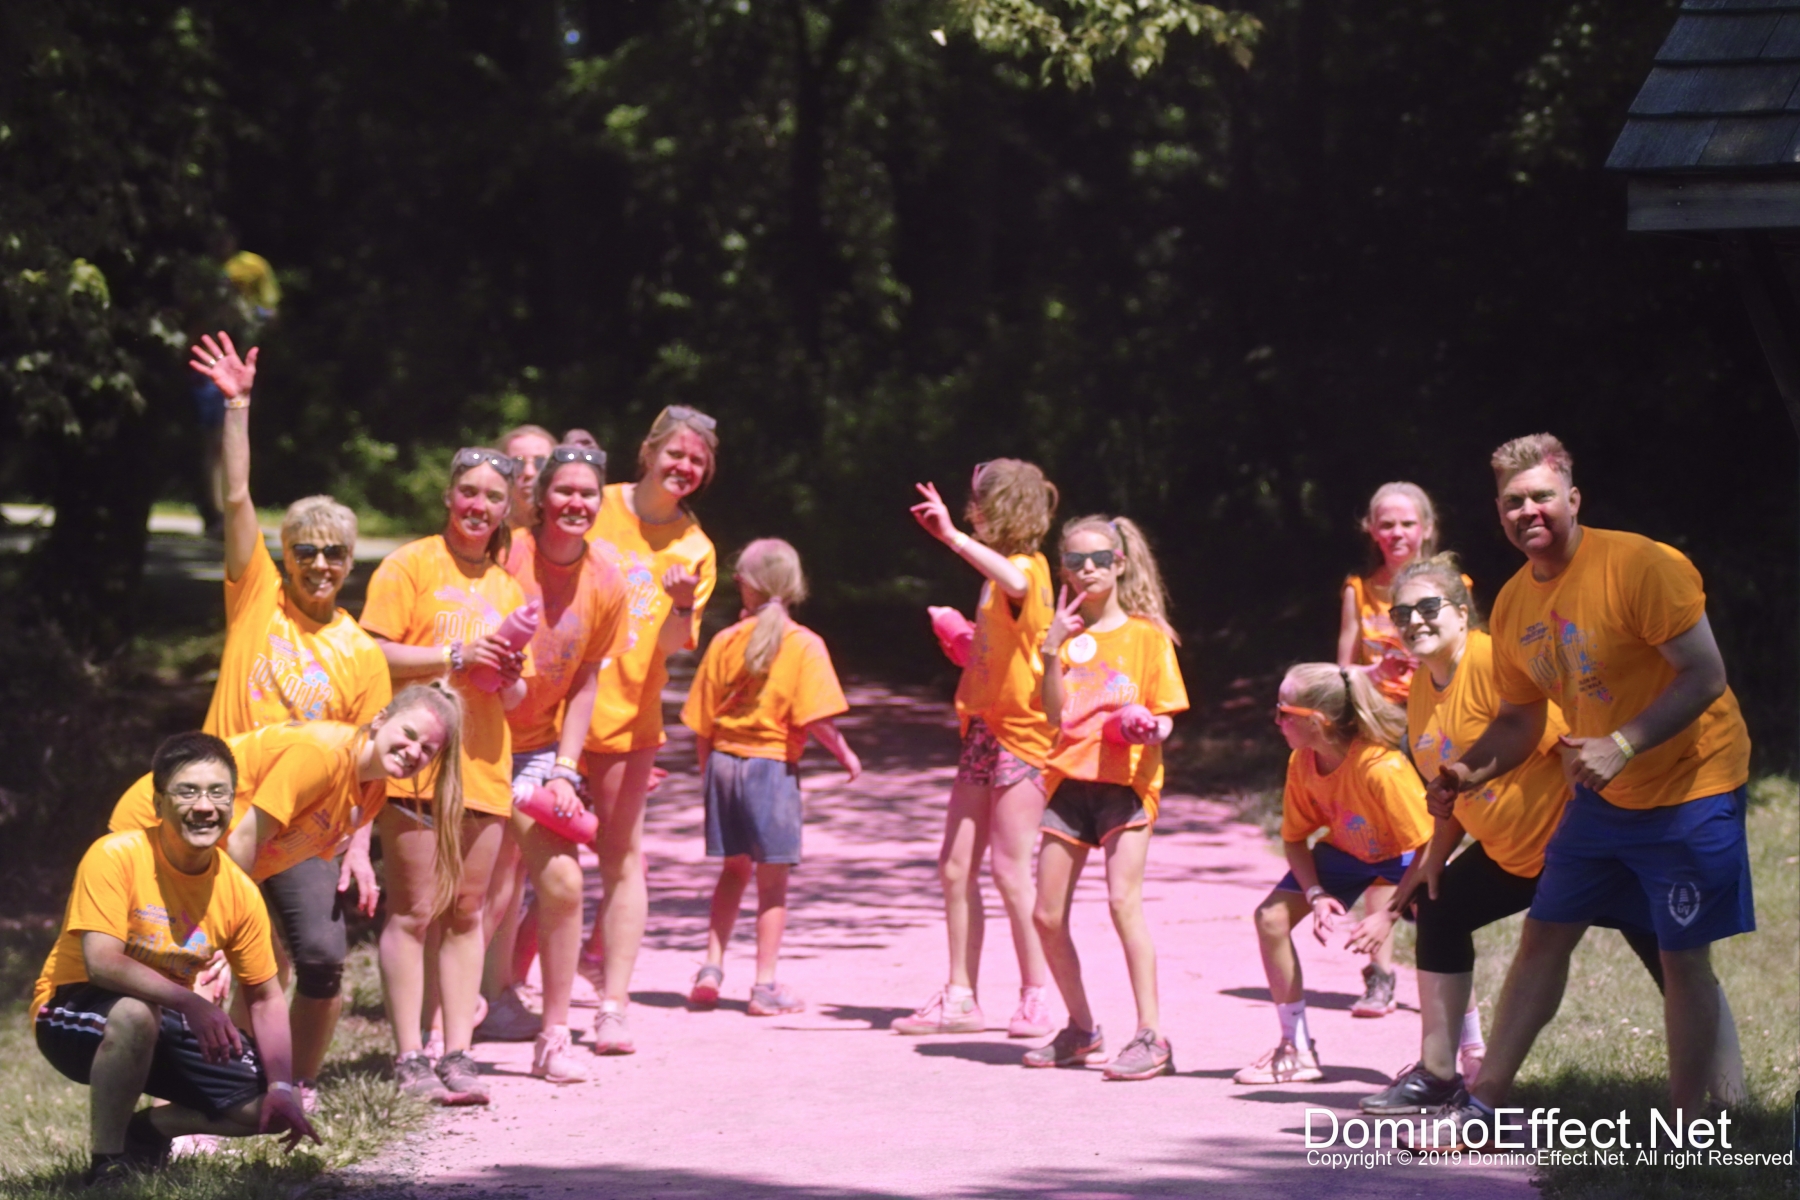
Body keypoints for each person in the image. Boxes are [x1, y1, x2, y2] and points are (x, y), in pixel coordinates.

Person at [1429, 434, 1753, 1142]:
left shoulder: (1641, 565)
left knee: (1680, 955)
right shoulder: (1514, 604)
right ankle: (1481, 1105)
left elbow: (1705, 674)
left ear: (1573, 499)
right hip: (1604, 797)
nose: (1528, 511)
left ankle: (1687, 1130)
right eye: (1513, 502)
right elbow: (1519, 719)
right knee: (1543, 934)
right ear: (1499, 514)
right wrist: (1463, 773)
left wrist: (1624, 742)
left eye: (1541, 496)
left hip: (1691, 783)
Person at [1346, 557, 1672, 1112]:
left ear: (1461, 611)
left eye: (1428, 608)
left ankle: (1724, 1090)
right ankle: (1437, 1074)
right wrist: (1435, 858)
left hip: (1575, 852)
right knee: (1441, 906)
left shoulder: (1494, 663)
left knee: (1672, 955)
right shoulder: (1424, 683)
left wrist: (1586, 843)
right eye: (1401, 614)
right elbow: (1450, 786)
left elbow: (1572, 750)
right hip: (1510, 856)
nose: (1414, 621)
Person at [185, 331, 394, 1107]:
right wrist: (238, 407)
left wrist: (360, 849)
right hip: (219, 804)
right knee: (211, 954)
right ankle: (212, 1091)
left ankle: (296, 1084)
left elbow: (372, 765)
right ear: (287, 554)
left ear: (350, 560)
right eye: (305, 550)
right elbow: (237, 498)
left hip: (304, 828)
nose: (320, 564)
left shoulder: (361, 653)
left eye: (334, 552)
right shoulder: (256, 596)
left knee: (323, 956)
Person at [34, 733, 318, 1185]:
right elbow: (101, 963)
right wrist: (192, 1002)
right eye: (187, 792)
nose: (204, 806)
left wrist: (283, 1085)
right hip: (73, 1010)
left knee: (267, 1108)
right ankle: (108, 1164)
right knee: (135, 1014)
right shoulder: (115, 855)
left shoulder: (239, 891)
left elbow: (265, 996)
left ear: (232, 803)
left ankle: (147, 1132)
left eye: (218, 793)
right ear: (158, 803)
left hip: (166, 1016)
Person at [361, 448, 532, 1103]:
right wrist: (455, 655)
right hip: (415, 767)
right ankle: (409, 1057)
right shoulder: (411, 564)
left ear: (507, 509)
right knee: (412, 912)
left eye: (493, 497)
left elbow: (516, 697)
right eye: (469, 492)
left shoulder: (508, 587)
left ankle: (458, 1053)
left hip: (483, 768)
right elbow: (371, 652)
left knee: (466, 914)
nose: (479, 506)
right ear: (449, 496)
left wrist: (506, 676)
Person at [477, 445, 628, 1086]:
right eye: (564, 490)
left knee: (563, 883)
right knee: (473, 892)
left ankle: (554, 1037)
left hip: (539, 751)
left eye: (588, 493)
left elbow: (586, 682)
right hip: (477, 739)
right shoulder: (506, 555)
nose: (576, 503)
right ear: (541, 499)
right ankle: (441, 1029)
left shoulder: (607, 579)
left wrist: (566, 768)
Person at [896, 460, 1061, 1038]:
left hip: (1025, 734)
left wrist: (952, 538)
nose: (970, 513)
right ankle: (960, 997)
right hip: (985, 729)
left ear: (1004, 509)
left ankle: (1036, 997)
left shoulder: (1028, 568)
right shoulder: (995, 577)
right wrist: (965, 641)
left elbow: (1018, 586)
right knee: (955, 866)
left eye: (978, 504)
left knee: (1010, 870)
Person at [577, 405, 719, 1054]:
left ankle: (613, 1005)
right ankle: (499, 994)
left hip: (626, 716)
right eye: (676, 453)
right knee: (521, 861)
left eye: (698, 461)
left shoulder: (696, 548)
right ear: (649, 451)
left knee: (621, 856)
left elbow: (669, 646)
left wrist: (683, 601)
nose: (684, 466)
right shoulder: (594, 503)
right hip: (547, 707)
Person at [1024, 516, 1188, 1081]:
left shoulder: (1147, 636)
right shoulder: (1061, 634)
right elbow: (1054, 714)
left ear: (1119, 563)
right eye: (1075, 561)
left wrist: (1151, 729)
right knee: (1045, 915)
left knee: (1123, 904)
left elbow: (1164, 715)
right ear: (1063, 569)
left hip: (1126, 783)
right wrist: (1051, 650)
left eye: (1098, 559)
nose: (1087, 568)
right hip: (1068, 782)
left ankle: (1151, 1036)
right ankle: (1081, 1028)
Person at [681, 539, 860, 1016]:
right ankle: (764, 986)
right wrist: (845, 754)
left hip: (724, 765)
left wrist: (707, 774)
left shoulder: (725, 641)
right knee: (772, 885)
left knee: (732, 871)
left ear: (745, 584)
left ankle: (711, 968)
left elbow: (702, 724)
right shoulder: (803, 643)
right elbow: (817, 718)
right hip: (771, 769)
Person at [1232, 663, 1431, 1086]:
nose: (1276, 721)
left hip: (1410, 855)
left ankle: (1464, 1053)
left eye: (1284, 712)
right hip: (1347, 852)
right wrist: (1317, 894)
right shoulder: (1302, 761)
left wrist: (1389, 914)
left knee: (1441, 924)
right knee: (1270, 918)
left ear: (1317, 721)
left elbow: (1428, 847)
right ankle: (1296, 1049)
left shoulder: (1382, 767)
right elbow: (1294, 839)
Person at [190, 235, 280, 537]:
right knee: (214, 442)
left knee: (235, 436)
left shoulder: (252, 265)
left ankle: (233, 512)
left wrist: (256, 318)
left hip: (240, 366)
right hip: (208, 368)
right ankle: (215, 513)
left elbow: (271, 310)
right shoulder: (200, 272)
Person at [1336, 482, 1443, 704]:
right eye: (1386, 525)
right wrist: (1378, 671)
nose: (1397, 533)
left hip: (1437, 705)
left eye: (1408, 524)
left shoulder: (1450, 587)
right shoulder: (1358, 591)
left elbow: (1467, 663)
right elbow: (1343, 672)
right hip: (1379, 709)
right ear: (1372, 530)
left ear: (1427, 529)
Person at [499, 424, 557, 532]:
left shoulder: (578, 530)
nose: (529, 472)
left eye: (540, 462)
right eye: (517, 463)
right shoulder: (489, 533)